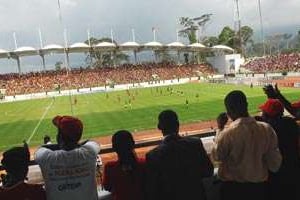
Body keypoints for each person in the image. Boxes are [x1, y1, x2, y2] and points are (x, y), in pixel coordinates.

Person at [211, 90, 282, 200]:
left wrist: (220, 128)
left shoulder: (227, 133)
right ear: (246, 105)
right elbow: (275, 165)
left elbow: (216, 156)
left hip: (233, 190)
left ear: (228, 112)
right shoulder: (266, 129)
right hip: (259, 190)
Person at [146, 110, 214, 200]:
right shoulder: (195, 143)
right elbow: (208, 171)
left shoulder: (153, 155)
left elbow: (154, 189)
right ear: (178, 124)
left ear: (159, 127)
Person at [35, 115, 100, 200]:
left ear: (60, 137)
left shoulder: (46, 157)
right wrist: (73, 143)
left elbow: (41, 149)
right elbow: (92, 142)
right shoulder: (90, 152)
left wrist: (61, 145)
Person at [258, 99, 300, 200]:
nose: (262, 113)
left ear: (268, 115)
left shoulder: (267, 130)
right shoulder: (291, 123)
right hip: (293, 170)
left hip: (276, 176)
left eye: (264, 112)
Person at [102, 130, 146, 200]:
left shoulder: (110, 167)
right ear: (133, 144)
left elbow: (107, 187)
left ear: (114, 148)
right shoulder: (145, 163)